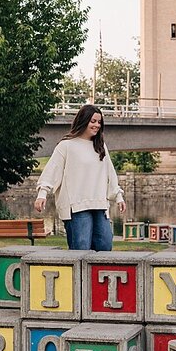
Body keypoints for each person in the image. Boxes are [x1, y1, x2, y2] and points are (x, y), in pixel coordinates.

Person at [35, 104, 126, 251]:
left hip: (99, 204)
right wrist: (42, 193)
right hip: (76, 207)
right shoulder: (66, 146)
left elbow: (110, 172)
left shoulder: (100, 146)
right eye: (93, 121)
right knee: (80, 250)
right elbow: (52, 170)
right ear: (83, 120)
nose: (97, 125)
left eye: (99, 122)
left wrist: (118, 196)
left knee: (105, 246)